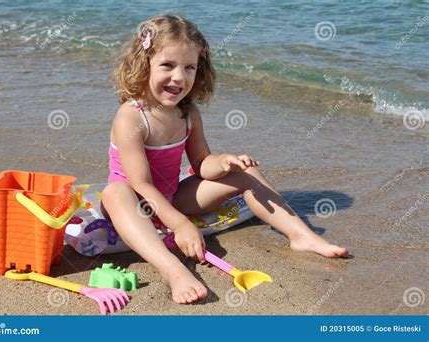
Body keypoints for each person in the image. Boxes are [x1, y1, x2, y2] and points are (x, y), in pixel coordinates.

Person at [101, 14, 348, 304]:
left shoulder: (188, 113)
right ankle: (172, 270)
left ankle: (301, 235)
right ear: (145, 65)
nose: (179, 77)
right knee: (115, 193)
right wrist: (181, 225)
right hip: (135, 204)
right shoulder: (132, 116)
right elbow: (141, 185)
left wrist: (224, 162)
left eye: (189, 68)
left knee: (247, 174)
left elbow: (201, 162)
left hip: (172, 196)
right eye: (168, 65)